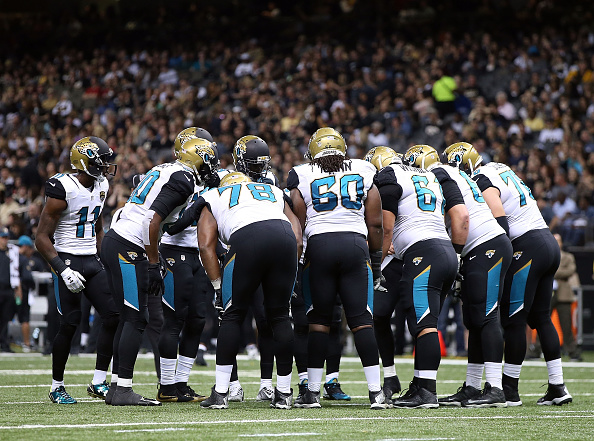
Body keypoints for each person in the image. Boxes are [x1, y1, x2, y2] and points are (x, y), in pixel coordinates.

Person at [101, 137, 218, 406]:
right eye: (208, 158)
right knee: (136, 318)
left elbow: (167, 221)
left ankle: (117, 386)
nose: (211, 164)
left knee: (128, 317)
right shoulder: (184, 179)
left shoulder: (165, 169)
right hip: (129, 246)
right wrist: (154, 263)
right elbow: (152, 220)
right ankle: (122, 389)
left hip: (120, 240)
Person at [461, 142, 572, 406]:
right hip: (546, 241)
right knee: (542, 317)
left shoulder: (480, 177)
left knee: (513, 320)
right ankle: (557, 386)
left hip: (526, 245)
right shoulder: (501, 168)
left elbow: (500, 217)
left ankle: (509, 389)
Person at [288, 127, 390, 409]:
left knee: (318, 322)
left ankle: (311, 393)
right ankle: (376, 392)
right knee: (361, 320)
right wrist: (376, 259)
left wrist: (300, 258)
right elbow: (376, 222)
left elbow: (297, 220)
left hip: (319, 247)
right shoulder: (363, 168)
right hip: (355, 245)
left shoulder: (302, 172)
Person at [405, 144, 512, 408]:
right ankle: (473, 387)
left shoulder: (439, 173)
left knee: (487, 316)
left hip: (485, 244)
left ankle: (496, 388)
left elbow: (461, 216)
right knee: (474, 318)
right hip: (481, 245)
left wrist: (455, 254)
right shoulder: (451, 173)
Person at [188, 171, 302, 409]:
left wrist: (218, 286)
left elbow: (205, 245)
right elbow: (298, 236)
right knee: (280, 316)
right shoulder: (272, 190)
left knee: (232, 314)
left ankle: (220, 393)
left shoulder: (214, 194)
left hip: (247, 238)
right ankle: (283, 393)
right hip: (285, 238)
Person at [372, 147, 465, 408]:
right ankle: (420, 385)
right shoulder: (432, 177)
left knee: (423, 323)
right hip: (445, 249)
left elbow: (386, 226)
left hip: (423, 253)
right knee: (426, 321)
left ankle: (426, 391)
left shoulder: (390, 175)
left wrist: (377, 262)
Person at [35, 137, 120, 404]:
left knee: (113, 316)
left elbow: (96, 223)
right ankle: (56, 386)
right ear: (86, 162)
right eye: (102, 160)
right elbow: (41, 238)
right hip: (68, 259)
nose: (106, 165)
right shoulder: (63, 188)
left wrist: (103, 254)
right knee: (70, 323)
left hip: (92, 260)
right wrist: (61, 269)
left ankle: (98, 381)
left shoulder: (102, 184)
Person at [156, 127, 225, 403]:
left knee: (197, 319)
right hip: (173, 250)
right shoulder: (174, 176)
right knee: (173, 319)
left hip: (198, 253)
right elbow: (169, 224)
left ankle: (182, 383)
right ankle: (167, 385)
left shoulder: (208, 178)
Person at [363, 146, 404, 400]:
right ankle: (390, 376)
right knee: (378, 316)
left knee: (417, 320)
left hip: (406, 257)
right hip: (394, 259)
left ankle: (423, 384)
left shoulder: (390, 183)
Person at [552, 234, 581, 361]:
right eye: (554, 240)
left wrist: (553, 271)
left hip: (564, 294)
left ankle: (572, 352)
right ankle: (535, 350)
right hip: (548, 293)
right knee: (541, 323)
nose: (556, 243)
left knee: (566, 324)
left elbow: (571, 270)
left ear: (562, 243)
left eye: (558, 240)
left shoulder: (568, 256)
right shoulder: (546, 255)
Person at [0, 227, 21, 353]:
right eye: (3, 237)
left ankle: (4, 343)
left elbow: (16, 273)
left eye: (6, 238)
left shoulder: (12, 253)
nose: (5, 240)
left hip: (8, 289)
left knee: (5, 318)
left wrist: (17, 290)